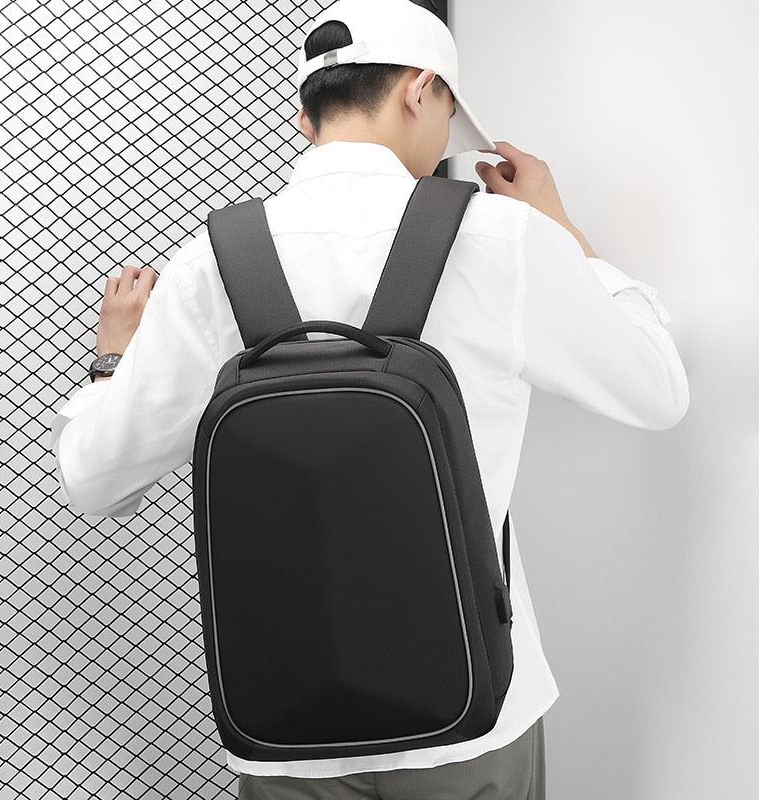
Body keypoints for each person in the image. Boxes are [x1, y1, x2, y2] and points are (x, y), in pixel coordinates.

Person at [51, 0, 689, 797]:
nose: (443, 143)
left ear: (305, 116)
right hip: (473, 710)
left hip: (287, 726)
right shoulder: (501, 238)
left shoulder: (210, 262)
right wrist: (560, 230)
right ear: (421, 90)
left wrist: (114, 357)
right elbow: (658, 389)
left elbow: (95, 480)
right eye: (448, 115)